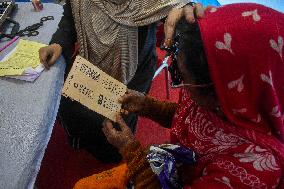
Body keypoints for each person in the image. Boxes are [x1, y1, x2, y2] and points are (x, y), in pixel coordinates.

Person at [102, 3, 284, 188]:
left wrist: (132, 152)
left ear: (221, 91)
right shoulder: (228, 93)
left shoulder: (253, 171)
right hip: (175, 163)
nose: (181, 87)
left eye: (180, 75)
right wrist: (147, 106)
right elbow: (190, 117)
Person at [38, 0, 204, 163]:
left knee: (114, 134)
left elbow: (174, 8)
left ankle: (106, 153)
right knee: (66, 103)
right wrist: (59, 42)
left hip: (134, 73)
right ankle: (81, 139)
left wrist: (184, 9)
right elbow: (71, 13)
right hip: (90, 63)